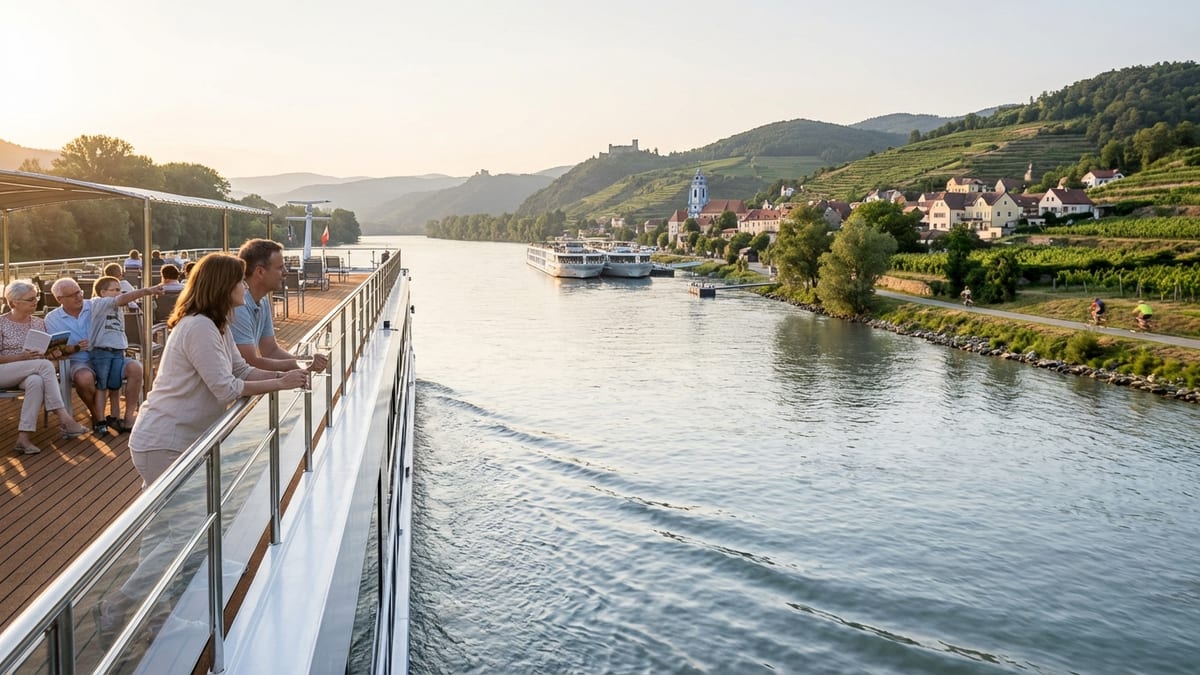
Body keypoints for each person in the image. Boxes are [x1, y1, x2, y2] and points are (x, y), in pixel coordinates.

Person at [98, 254, 307, 636]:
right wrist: (280, 384)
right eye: (240, 282)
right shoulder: (198, 328)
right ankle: (120, 605)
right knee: (184, 530)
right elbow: (225, 388)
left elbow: (241, 370)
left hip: (177, 439)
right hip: (166, 441)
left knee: (164, 530)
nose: (245, 287)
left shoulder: (217, 324)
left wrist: (291, 372)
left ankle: (151, 612)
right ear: (224, 286)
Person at [45, 278, 146, 433]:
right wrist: (74, 348)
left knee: (136, 368)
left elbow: (119, 300)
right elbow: (56, 350)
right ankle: (98, 416)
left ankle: (129, 417)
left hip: (108, 354)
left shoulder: (94, 304)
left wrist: (147, 291)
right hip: (79, 361)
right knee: (84, 378)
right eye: (72, 295)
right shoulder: (52, 319)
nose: (78, 297)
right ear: (59, 299)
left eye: (79, 291)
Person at [0, 281, 92, 453]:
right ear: (13, 303)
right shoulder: (1, 323)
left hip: (29, 372)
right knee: (43, 366)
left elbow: (45, 352)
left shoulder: (38, 323)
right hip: (4, 371)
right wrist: (22, 357)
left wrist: (53, 352)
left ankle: (23, 438)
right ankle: (64, 417)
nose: (35, 302)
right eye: (30, 299)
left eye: (36, 297)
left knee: (36, 382)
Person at [232, 239, 328, 373]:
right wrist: (304, 364)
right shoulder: (238, 306)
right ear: (260, 272)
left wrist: (303, 364)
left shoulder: (263, 300)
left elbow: (271, 350)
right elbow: (250, 362)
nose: (286, 272)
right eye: (279, 268)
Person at [87, 276, 164, 434]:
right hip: (102, 351)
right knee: (102, 386)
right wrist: (146, 291)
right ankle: (100, 420)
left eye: (119, 290)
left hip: (118, 351)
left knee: (114, 386)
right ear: (102, 292)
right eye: (114, 290)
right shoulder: (98, 302)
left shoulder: (118, 308)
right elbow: (122, 298)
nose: (118, 293)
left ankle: (115, 417)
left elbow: (123, 302)